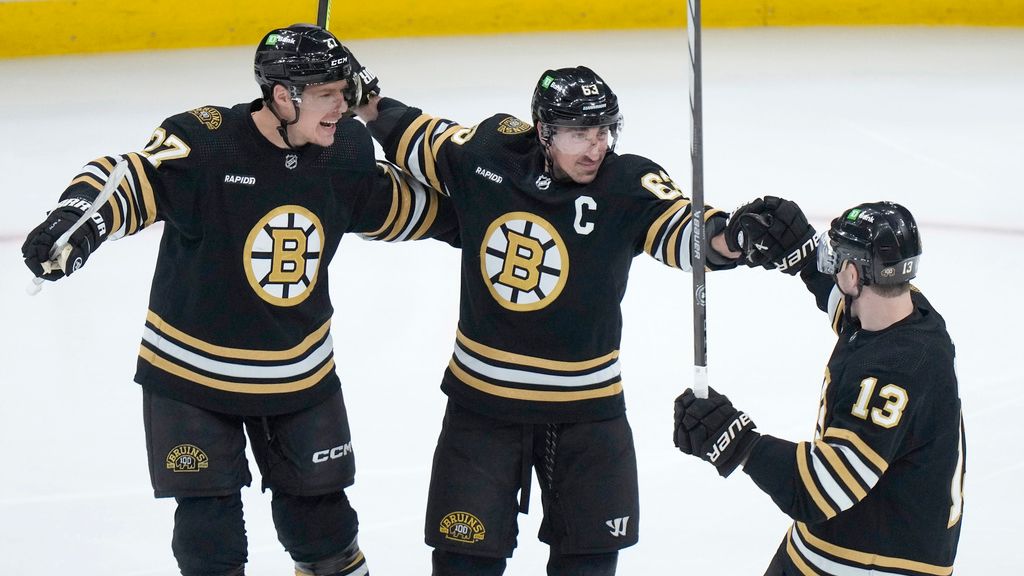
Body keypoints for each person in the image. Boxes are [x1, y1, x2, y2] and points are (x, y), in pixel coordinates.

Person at [21, 24, 458, 576]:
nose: (341, 107)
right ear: (282, 95)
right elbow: (128, 176)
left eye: (344, 93)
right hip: (191, 377)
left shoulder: (345, 149)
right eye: (327, 95)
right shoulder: (207, 141)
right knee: (210, 543)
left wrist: (493, 214)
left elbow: (400, 205)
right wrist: (77, 220)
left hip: (299, 375)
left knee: (324, 534)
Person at [352, 65, 798, 575]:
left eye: (604, 130)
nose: (596, 148)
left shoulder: (627, 183)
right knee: (461, 565)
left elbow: (682, 230)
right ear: (544, 132)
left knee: (588, 567)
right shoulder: (489, 153)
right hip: (484, 408)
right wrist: (365, 103)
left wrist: (735, 236)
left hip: (588, 414)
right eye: (579, 134)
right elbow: (420, 137)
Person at [673, 201, 965, 576]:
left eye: (835, 258)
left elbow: (821, 490)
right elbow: (847, 305)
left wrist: (739, 443)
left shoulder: (892, 375)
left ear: (853, 273)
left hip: (867, 565)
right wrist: (802, 254)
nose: (830, 265)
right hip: (826, 550)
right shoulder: (910, 317)